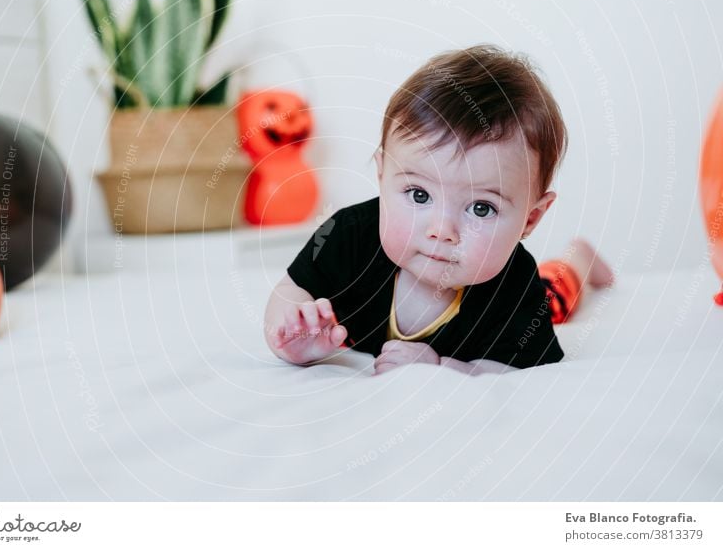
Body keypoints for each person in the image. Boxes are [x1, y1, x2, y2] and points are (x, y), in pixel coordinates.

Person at [263, 45, 613, 375]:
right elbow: (290, 291)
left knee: (557, 293)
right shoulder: (348, 235)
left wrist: (444, 367)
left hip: (540, 292)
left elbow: (524, 373)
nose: (442, 230)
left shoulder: (515, 286)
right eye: (418, 195)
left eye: (480, 208)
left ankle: (579, 257)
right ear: (383, 175)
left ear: (531, 218)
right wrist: (291, 337)